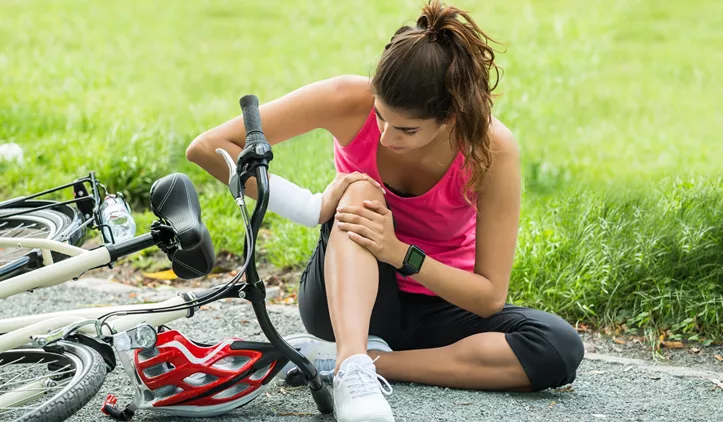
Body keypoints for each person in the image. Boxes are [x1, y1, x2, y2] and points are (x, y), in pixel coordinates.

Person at [186, 1, 584, 421]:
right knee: (359, 191)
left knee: (557, 347)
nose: (386, 137)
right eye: (380, 117)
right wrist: (311, 207)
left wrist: (400, 253)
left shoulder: (491, 149)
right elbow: (209, 147)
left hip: (440, 304)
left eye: (407, 130)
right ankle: (352, 362)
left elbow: (488, 297)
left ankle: (353, 363)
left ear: (450, 117)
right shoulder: (346, 98)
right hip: (349, 297)